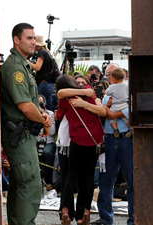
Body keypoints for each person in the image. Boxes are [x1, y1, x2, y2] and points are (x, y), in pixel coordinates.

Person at [0, 23, 52, 225]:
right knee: (29, 184)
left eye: (34, 38)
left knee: (20, 184)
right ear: (16, 40)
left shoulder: (23, 65)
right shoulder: (15, 67)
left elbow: (31, 102)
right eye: (29, 38)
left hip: (24, 134)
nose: (33, 42)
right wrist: (43, 119)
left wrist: (42, 118)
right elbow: (24, 105)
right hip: (18, 135)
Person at [56, 74, 106, 225]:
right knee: (88, 176)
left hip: (76, 140)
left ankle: (65, 210)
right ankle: (84, 212)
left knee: (71, 175)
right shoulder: (89, 92)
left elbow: (59, 115)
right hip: (93, 140)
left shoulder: (66, 98)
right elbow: (102, 111)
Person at [91, 63, 134, 225]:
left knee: (132, 182)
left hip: (126, 139)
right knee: (105, 181)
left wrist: (110, 112)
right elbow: (102, 115)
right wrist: (105, 109)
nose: (107, 77)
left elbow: (131, 110)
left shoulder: (127, 90)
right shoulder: (106, 95)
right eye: (106, 74)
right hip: (108, 139)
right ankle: (105, 218)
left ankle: (133, 219)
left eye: (110, 74)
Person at [29, 35, 56, 111]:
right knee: (49, 105)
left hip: (44, 83)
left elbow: (37, 67)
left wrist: (27, 62)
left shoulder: (41, 52)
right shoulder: (47, 53)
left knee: (44, 107)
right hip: (49, 84)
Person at [104, 68, 131, 138]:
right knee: (127, 119)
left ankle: (115, 129)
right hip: (124, 105)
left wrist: (113, 115)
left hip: (115, 106)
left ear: (113, 78)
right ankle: (130, 129)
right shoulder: (126, 85)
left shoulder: (112, 87)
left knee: (112, 119)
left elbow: (107, 92)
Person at [36, 94, 56, 189]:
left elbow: (52, 132)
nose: (40, 105)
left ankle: (49, 181)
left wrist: (45, 118)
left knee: (47, 153)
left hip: (49, 142)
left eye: (41, 103)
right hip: (37, 141)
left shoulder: (50, 114)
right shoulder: (33, 114)